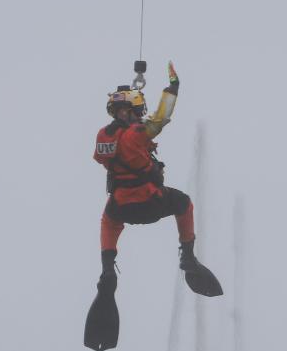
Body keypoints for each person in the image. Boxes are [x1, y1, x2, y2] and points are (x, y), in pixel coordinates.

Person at [92, 62, 221, 298]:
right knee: (183, 202)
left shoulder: (104, 136)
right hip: (149, 201)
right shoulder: (135, 135)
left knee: (108, 221)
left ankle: (107, 270)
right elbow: (160, 118)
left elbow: (103, 158)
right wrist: (173, 88)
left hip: (122, 205)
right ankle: (188, 256)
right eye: (137, 112)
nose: (140, 116)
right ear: (130, 111)